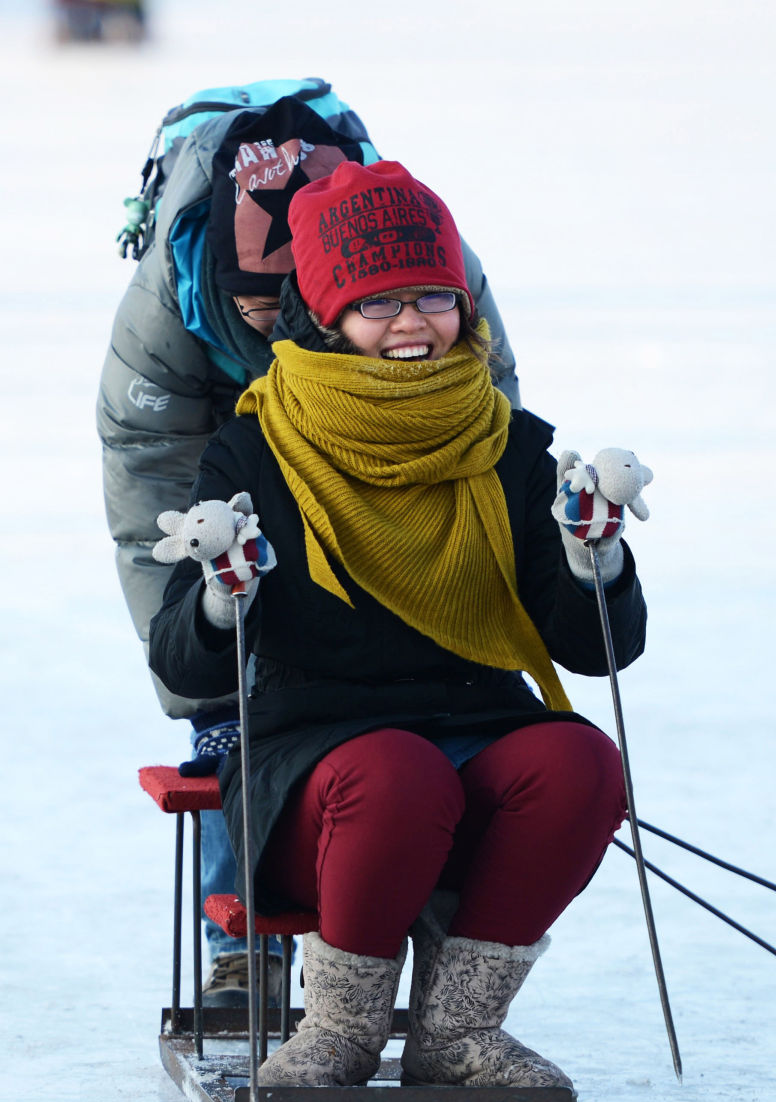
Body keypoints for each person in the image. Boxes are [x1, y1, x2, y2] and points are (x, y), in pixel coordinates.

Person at [146, 159, 651, 1090]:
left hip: (479, 732)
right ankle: (340, 1028)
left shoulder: (511, 441)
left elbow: (593, 648)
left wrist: (597, 562)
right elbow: (178, 653)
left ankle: (455, 1032)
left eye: (433, 296)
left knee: (581, 763)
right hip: (319, 768)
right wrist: (224, 596)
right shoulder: (256, 446)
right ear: (327, 316)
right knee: (397, 773)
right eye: (379, 303)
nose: (413, 323)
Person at [97, 95, 523, 1007]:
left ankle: (421, 903)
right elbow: (148, 494)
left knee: (392, 704)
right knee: (234, 721)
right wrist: (204, 678)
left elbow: (486, 418)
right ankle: (242, 943)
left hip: (374, 395)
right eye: (253, 316)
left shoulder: (418, 262)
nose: (273, 337)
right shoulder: (170, 311)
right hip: (222, 434)